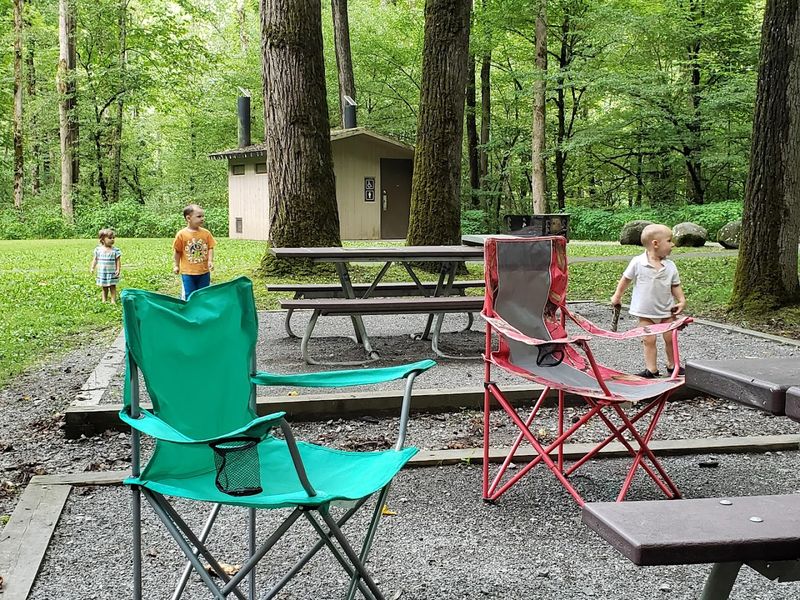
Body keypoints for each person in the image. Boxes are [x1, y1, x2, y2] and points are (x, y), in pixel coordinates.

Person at [610, 223, 687, 378]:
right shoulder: (638, 262)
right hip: (645, 312)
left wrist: (681, 300)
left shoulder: (670, 265)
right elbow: (626, 279)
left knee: (670, 338)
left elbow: (675, 285)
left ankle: (673, 365)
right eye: (669, 240)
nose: (673, 244)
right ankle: (651, 369)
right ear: (655, 244)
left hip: (667, 310)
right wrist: (617, 295)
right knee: (648, 340)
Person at [173, 204, 216, 299]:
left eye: (203, 216)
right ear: (188, 218)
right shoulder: (181, 234)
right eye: (199, 216)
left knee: (204, 294)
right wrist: (176, 265)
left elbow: (210, 247)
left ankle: (202, 312)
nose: (202, 218)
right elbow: (177, 251)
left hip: (204, 272)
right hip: (188, 273)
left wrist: (210, 261)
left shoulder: (206, 233)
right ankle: (188, 312)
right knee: (189, 295)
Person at [90, 228, 122, 304]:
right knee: (104, 287)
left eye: (113, 238)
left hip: (112, 272)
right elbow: (95, 259)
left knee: (112, 287)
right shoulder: (98, 250)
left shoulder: (115, 250)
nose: (112, 240)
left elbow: (118, 261)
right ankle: (104, 300)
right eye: (110, 238)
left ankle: (113, 300)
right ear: (102, 239)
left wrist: (118, 269)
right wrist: (92, 267)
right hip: (103, 272)